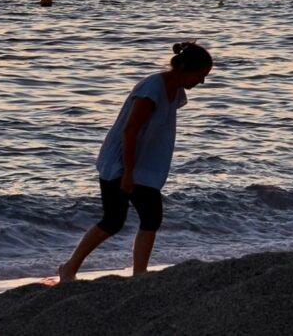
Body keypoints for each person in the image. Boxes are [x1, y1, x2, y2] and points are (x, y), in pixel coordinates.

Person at [57, 41, 213, 281]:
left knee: (150, 216)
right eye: (199, 75)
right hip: (121, 161)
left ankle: (139, 273)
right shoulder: (151, 90)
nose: (201, 82)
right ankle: (70, 268)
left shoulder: (175, 90)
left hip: (142, 164)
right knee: (114, 220)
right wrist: (128, 172)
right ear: (183, 68)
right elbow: (129, 132)